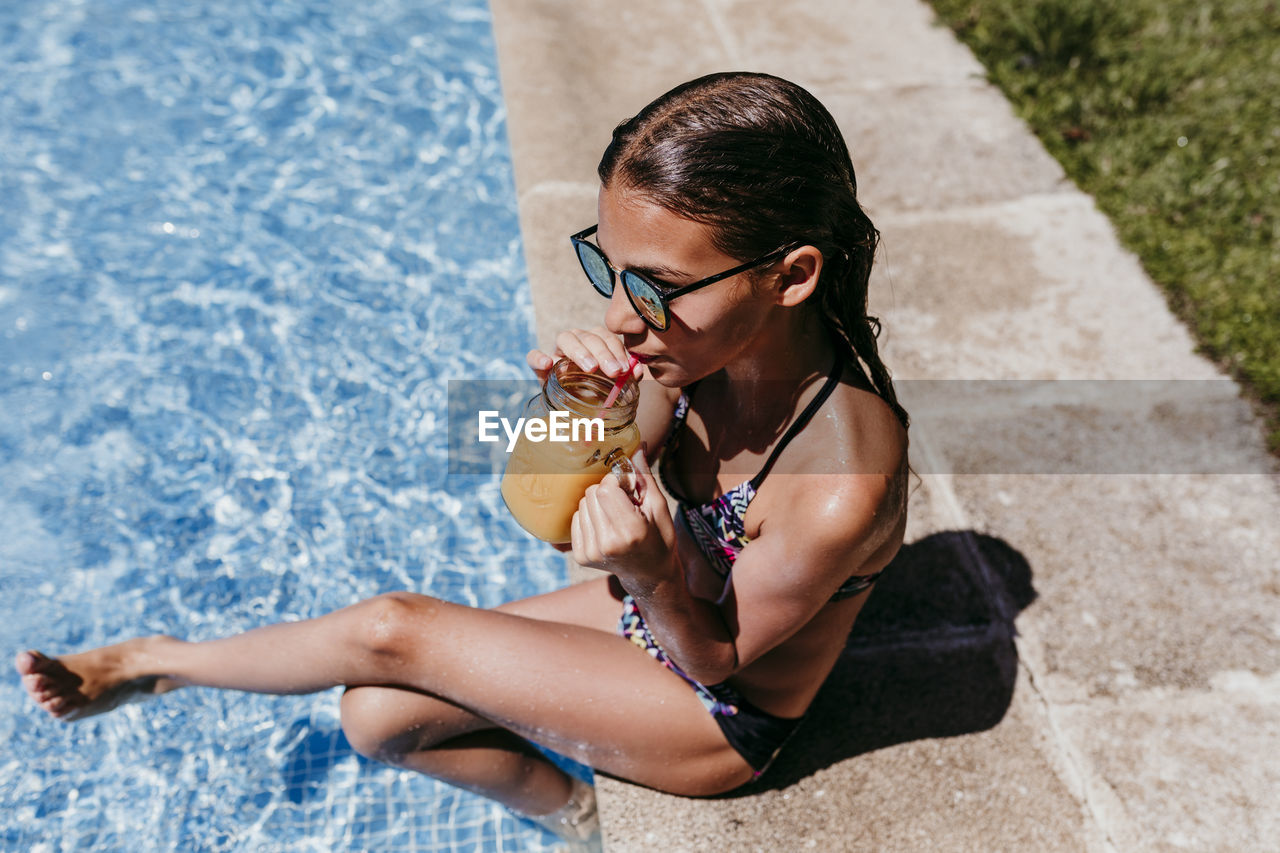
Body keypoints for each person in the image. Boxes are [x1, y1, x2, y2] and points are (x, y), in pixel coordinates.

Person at [16, 72, 908, 842]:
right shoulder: (691, 354)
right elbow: (541, 509)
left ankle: (155, 662)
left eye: (659, 289)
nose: (620, 319)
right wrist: (573, 406)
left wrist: (651, 572)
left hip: (719, 710)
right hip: (655, 611)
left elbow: (718, 659)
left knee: (390, 628)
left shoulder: (839, 486)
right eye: (611, 270)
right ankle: (578, 818)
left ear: (791, 276)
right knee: (375, 717)